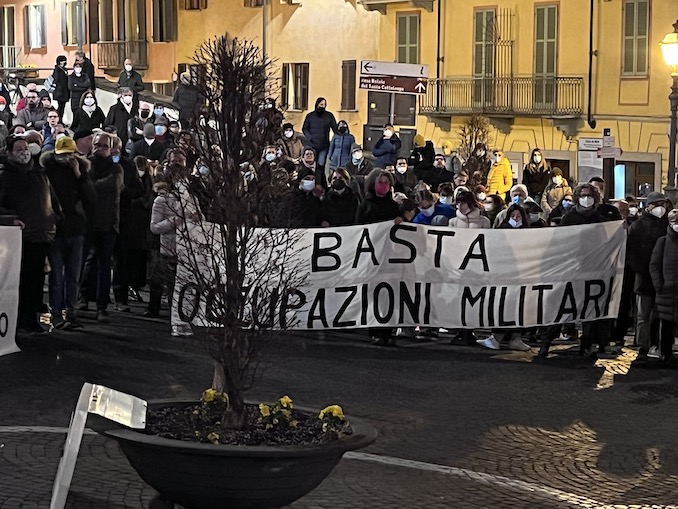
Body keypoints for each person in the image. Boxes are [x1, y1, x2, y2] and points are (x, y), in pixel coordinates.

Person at [0, 136, 60, 333]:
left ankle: (30, 319)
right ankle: (15, 321)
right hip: (18, 239)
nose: (24, 152)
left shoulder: (39, 173)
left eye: (26, 148)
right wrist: (11, 219)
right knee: (20, 282)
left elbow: (52, 198)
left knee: (35, 282)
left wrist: (56, 217)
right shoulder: (5, 176)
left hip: (40, 236)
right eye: (19, 149)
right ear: (9, 153)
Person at [41, 136, 96, 330]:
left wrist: (79, 175)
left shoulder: (81, 170)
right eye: (63, 154)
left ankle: (71, 313)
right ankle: (56, 314)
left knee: (73, 276)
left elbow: (91, 197)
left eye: (70, 154)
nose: (67, 157)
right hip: (56, 230)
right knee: (57, 277)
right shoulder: (46, 172)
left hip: (77, 230)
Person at [80, 132, 124, 322]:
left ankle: (101, 306)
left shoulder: (116, 169)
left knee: (104, 266)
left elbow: (111, 185)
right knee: (85, 263)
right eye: (97, 145)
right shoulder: (85, 165)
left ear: (111, 148)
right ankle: (82, 298)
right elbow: (82, 187)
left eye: (104, 146)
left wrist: (90, 185)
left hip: (107, 223)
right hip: (87, 222)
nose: (100, 149)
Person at [355, 169, 401, 346]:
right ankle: (374, 330)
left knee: (389, 294)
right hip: (372, 256)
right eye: (380, 182)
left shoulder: (392, 205)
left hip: (390, 256)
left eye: (387, 183)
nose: (383, 185)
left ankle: (388, 330)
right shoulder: (366, 205)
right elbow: (359, 229)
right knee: (374, 293)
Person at [477, 203, 532, 351]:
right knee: (501, 305)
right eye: (513, 216)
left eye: (519, 216)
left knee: (519, 307)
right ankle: (496, 337)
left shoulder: (530, 233)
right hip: (502, 276)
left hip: (521, 276)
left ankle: (515, 338)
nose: (515, 219)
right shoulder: (501, 230)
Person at [627, 191, 669, 359]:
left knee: (661, 315)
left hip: (663, 276)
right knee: (643, 315)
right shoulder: (637, 226)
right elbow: (631, 252)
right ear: (650, 206)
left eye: (664, 205)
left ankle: (658, 345)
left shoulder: (666, 224)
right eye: (658, 205)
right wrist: (641, 269)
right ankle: (643, 346)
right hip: (644, 277)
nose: (662, 208)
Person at [649, 208, 678, 364]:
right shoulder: (663, 242)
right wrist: (659, 285)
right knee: (666, 323)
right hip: (666, 291)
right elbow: (654, 265)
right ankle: (665, 352)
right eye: (674, 221)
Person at [302, 97, 337, 168]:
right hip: (312, 145)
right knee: (311, 165)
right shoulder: (310, 116)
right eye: (321, 104)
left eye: (324, 105)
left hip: (324, 145)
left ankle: (320, 178)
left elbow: (335, 129)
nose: (323, 106)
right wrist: (310, 137)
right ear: (317, 104)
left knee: (321, 164)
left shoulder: (329, 116)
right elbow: (304, 128)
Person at [105, 87, 137, 152]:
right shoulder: (114, 108)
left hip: (133, 140)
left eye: (130, 95)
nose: (128, 97)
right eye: (125, 95)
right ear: (121, 96)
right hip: (119, 139)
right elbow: (107, 124)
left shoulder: (135, 108)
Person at [52, 56, 70, 120]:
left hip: (65, 91)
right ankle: (58, 120)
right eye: (63, 61)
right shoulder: (57, 70)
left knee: (63, 107)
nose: (65, 62)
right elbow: (56, 79)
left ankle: (60, 120)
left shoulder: (64, 69)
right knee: (60, 107)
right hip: (60, 92)